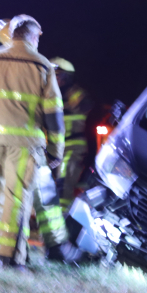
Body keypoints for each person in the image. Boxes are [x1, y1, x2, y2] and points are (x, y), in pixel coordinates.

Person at [0, 15, 82, 268]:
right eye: (39, 36)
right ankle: (10, 256)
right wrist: (55, 152)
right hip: (24, 144)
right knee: (16, 198)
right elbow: (54, 116)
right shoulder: (42, 66)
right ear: (33, 36)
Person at [49, 57, 94, 210]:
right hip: (55, 149)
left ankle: (62, 223)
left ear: (67, 77)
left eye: (58, 76)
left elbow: (87, 104)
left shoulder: (74, 93)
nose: (54, 79)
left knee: (64, 185)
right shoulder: (50, 95)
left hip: (72, 148)